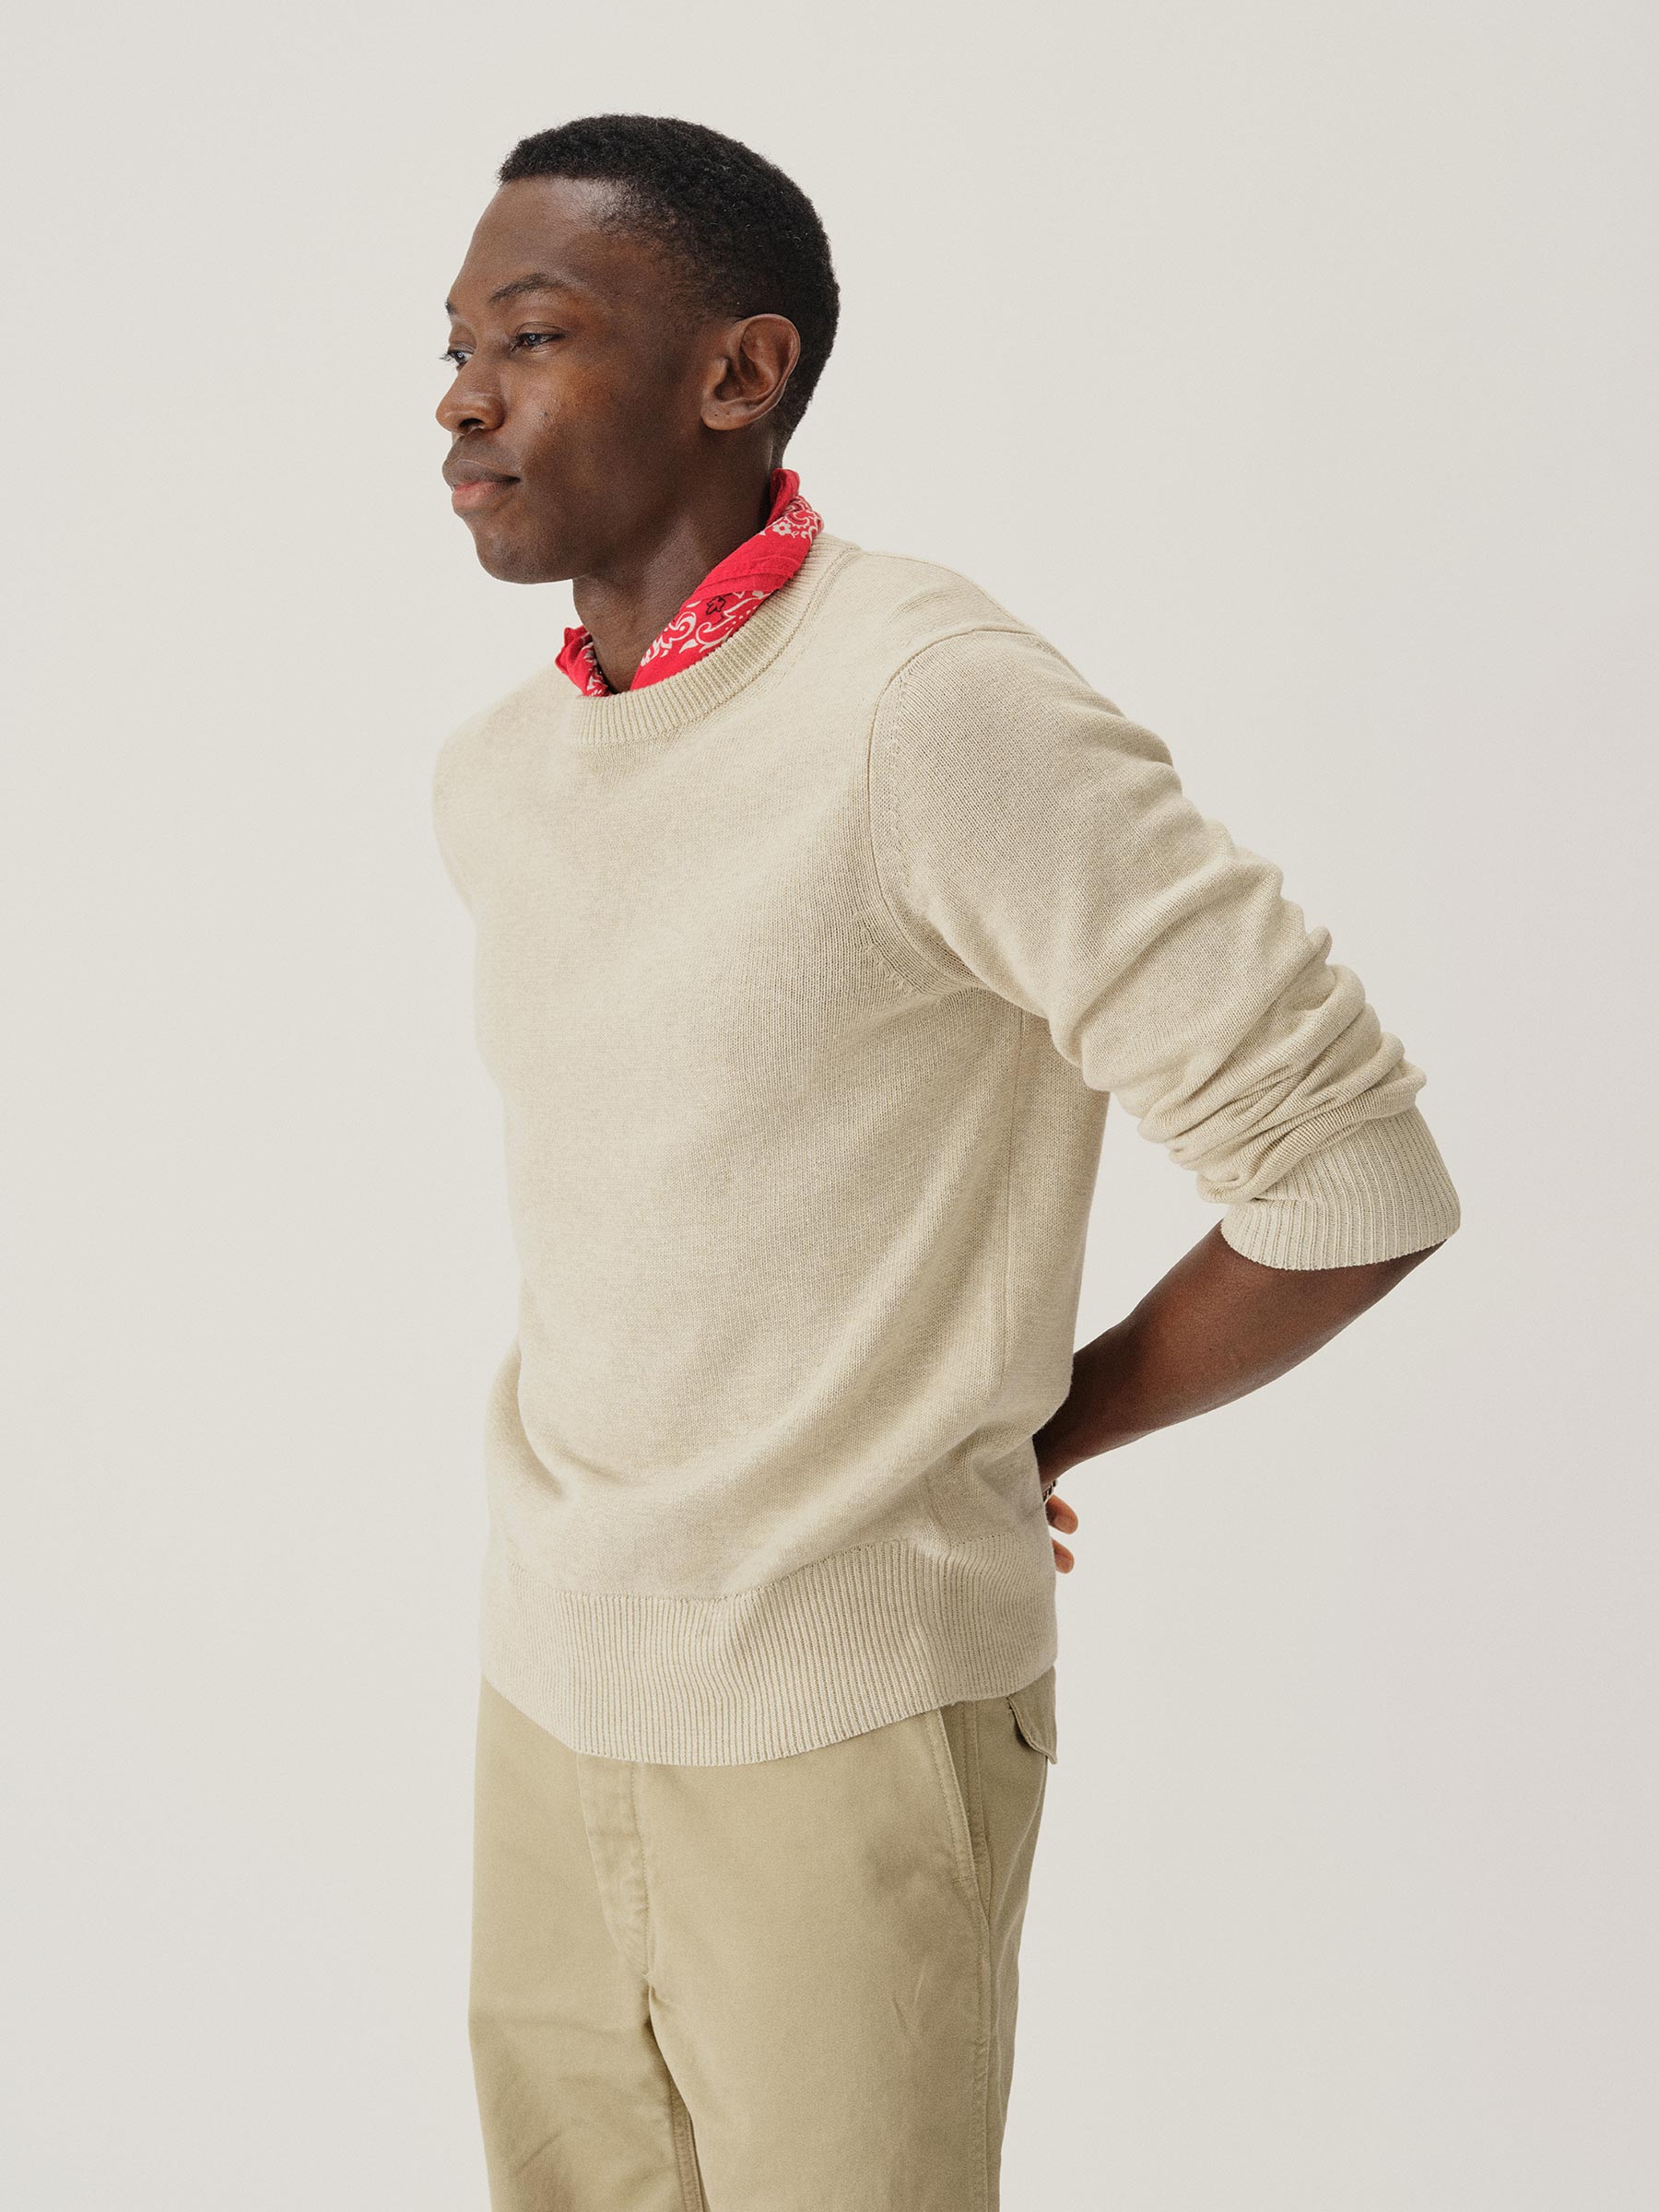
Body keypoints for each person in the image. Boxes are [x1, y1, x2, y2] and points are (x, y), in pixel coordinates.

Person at [430, 112, 1461, 2212]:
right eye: (451, 350)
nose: (461, 402)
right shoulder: (506, 774)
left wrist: (1035, 1429)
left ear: (741, 373)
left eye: (529, 338)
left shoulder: (927, 707)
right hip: (548, 1692)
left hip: (844, 1730)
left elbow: (1351, 1171)